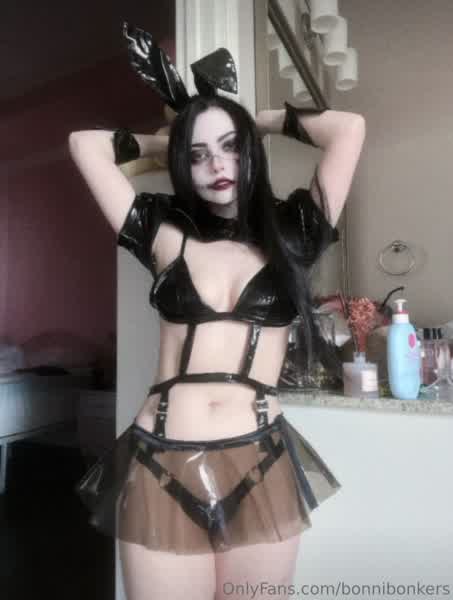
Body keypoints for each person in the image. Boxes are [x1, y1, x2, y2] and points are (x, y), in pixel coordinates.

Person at [69, 23, 365, 600]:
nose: (216, 165)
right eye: (198, 155)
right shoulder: (162, 233)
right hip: (160, 462)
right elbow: (86, 144)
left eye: (231, 147)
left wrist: (253, 120)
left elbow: (348, 129)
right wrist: (169, 141)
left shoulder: (295, 231)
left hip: (261, 460)